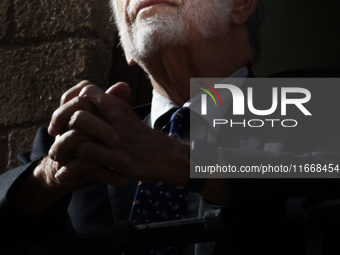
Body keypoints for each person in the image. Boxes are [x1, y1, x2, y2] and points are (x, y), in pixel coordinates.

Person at [1, 0, 340, 254]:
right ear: (126, 45)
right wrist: (46, 178)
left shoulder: (318, 102)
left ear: (240, 4)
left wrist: (182, 161)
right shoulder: (79, 137)